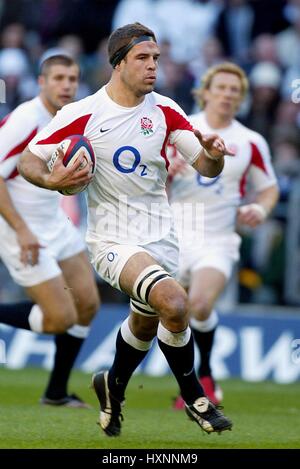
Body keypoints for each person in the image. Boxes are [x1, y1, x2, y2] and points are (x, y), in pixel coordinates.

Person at [19, 23, 233, 436]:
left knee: (145, 325)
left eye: (156, 58)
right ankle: (195, 397)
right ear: (118, 64)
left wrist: (213, 155)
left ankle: (112, 386)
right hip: (111, 240)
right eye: (143, 58)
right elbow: (29, 160)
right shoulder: (81, 115)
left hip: (161, 238)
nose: (153, 66)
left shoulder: (166, 110)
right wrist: (53, 180)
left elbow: (205, 167)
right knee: (174, 301)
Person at [168, 62, 279, 408]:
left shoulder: (250, 141)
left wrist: (259, 209)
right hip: (174, 235)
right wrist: (166, 171)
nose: (228, 94)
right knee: (172, 316)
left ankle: (205, 376)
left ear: (242, 97)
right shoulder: (181, 128)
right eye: (222, 87)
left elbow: (269, 188)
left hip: (217, 239)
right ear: (205, 91)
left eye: (235, 89)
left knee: (199, 305)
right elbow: (147, 177)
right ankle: (186, 384)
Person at [0, 54, 100, 407]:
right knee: (60, 318)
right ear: (41, 82)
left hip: (55, 222)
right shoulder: (26, 119)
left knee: (87, 304)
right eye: (58, 78)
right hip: (18, 227)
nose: (67, 85)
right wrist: (23, 230)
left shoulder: (72, 118)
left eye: (72, 78)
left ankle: (56, 393)